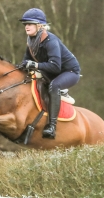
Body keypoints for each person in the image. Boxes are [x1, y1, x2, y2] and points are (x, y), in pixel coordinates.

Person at [19, 8, 81, 139]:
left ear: (39, 25)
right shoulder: (31, 41)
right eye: (25, 24)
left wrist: (35, 65)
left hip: (68, 72)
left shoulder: (50, 40)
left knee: (54, 85)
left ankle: (51, 126)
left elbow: (55, 67)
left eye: (30, 23)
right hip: (50, 71)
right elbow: (26, 60)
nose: (26, 26)